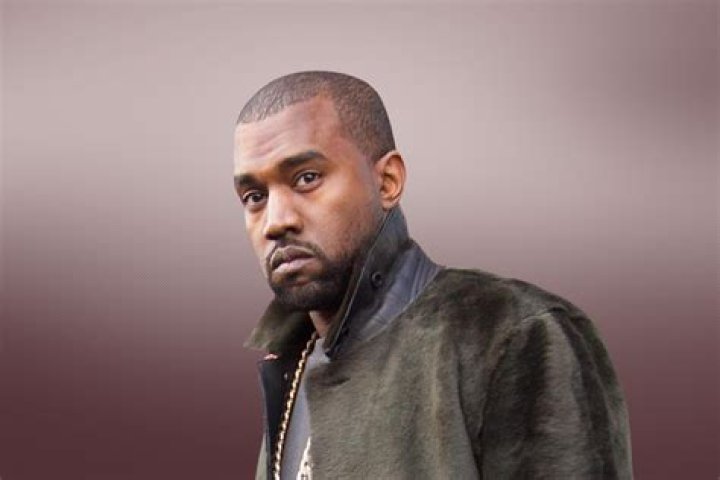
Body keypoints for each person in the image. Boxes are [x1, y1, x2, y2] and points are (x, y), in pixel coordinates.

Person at [234, 71, 632, 480]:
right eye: (254, 197)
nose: (276, 221)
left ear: (387, 181)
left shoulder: (511, 332)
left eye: (307, 178)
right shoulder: (290, 365)